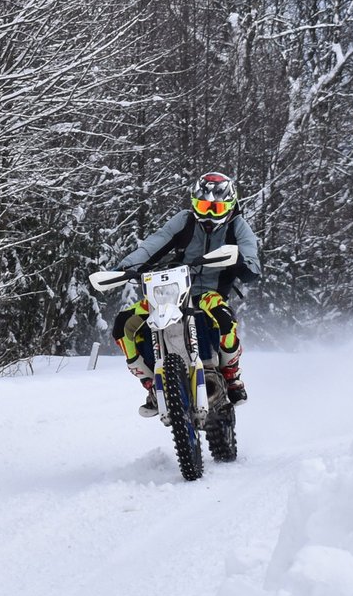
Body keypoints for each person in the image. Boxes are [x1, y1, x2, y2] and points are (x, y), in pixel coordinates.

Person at [110, 171, 261, 417]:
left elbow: (252, 266)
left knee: (225, 320)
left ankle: (232, 377)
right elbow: (153, 245)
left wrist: (241, 261)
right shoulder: (185, 221)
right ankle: (150, 384)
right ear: (194, 203)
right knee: (123, 324)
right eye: (203, 206)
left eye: (216, 207)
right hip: (171, 292)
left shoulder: (238, 228)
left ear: (230, 205)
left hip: (209, 294)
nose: (209, 214)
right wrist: (125, 268)